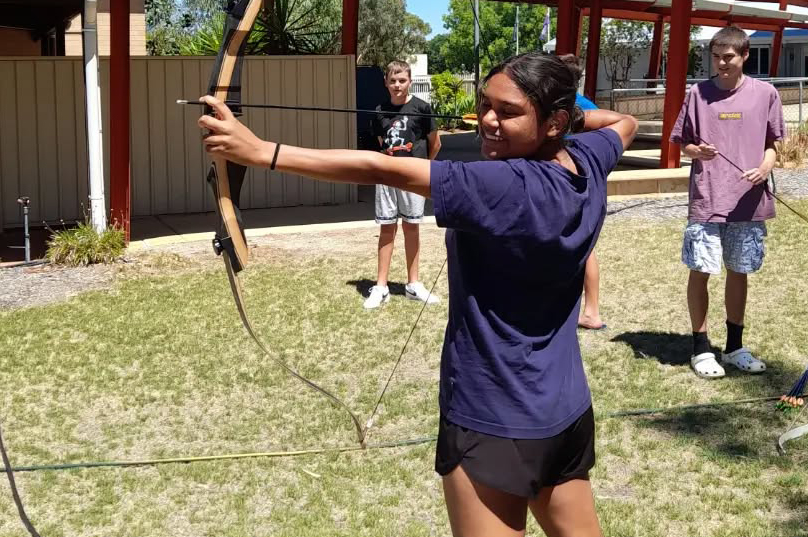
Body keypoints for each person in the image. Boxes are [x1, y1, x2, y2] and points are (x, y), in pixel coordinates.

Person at [198, 52, 638, 537]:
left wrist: (263, 152)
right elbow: (624, 121)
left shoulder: (505, 184)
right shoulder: (588, 161)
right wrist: (568, 119)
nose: (488, 121)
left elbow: (382, 168)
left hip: (490, 418)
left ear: (553, 122)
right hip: (563, 412)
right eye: (485, 104)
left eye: (508, 112)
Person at [669, 26, 784, 380]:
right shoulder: (697, 93)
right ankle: (701, 348)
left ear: (745, 56)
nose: (721, 63)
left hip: (748, 202)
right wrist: (696, 151)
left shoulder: (765, 93)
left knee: (739, 271)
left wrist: (764, 168)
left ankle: (734, 347)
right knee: (701, 270)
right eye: (716, 57)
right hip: (708, 199)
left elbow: (774, 143)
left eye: (729, 57)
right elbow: (681, 141)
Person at [366, 59, 442, 309]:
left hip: (413, 177)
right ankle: (381, 286)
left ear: (410, 81)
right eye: (393, 80)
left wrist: (423, 169)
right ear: (386, 82)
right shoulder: (379, 111)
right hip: (386, 177)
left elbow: (435, 143)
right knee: (387, 228)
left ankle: (413, 284)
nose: (397, 85)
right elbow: (380, 142)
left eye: (402, 80)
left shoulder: (422, 108)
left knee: (412, 227)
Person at [558, 54, 606, 331]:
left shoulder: (581, 109)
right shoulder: (587, 106)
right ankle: (588, 310)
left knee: (583, 247)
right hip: (577, 185)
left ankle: (590, 312)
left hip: (573, 185)